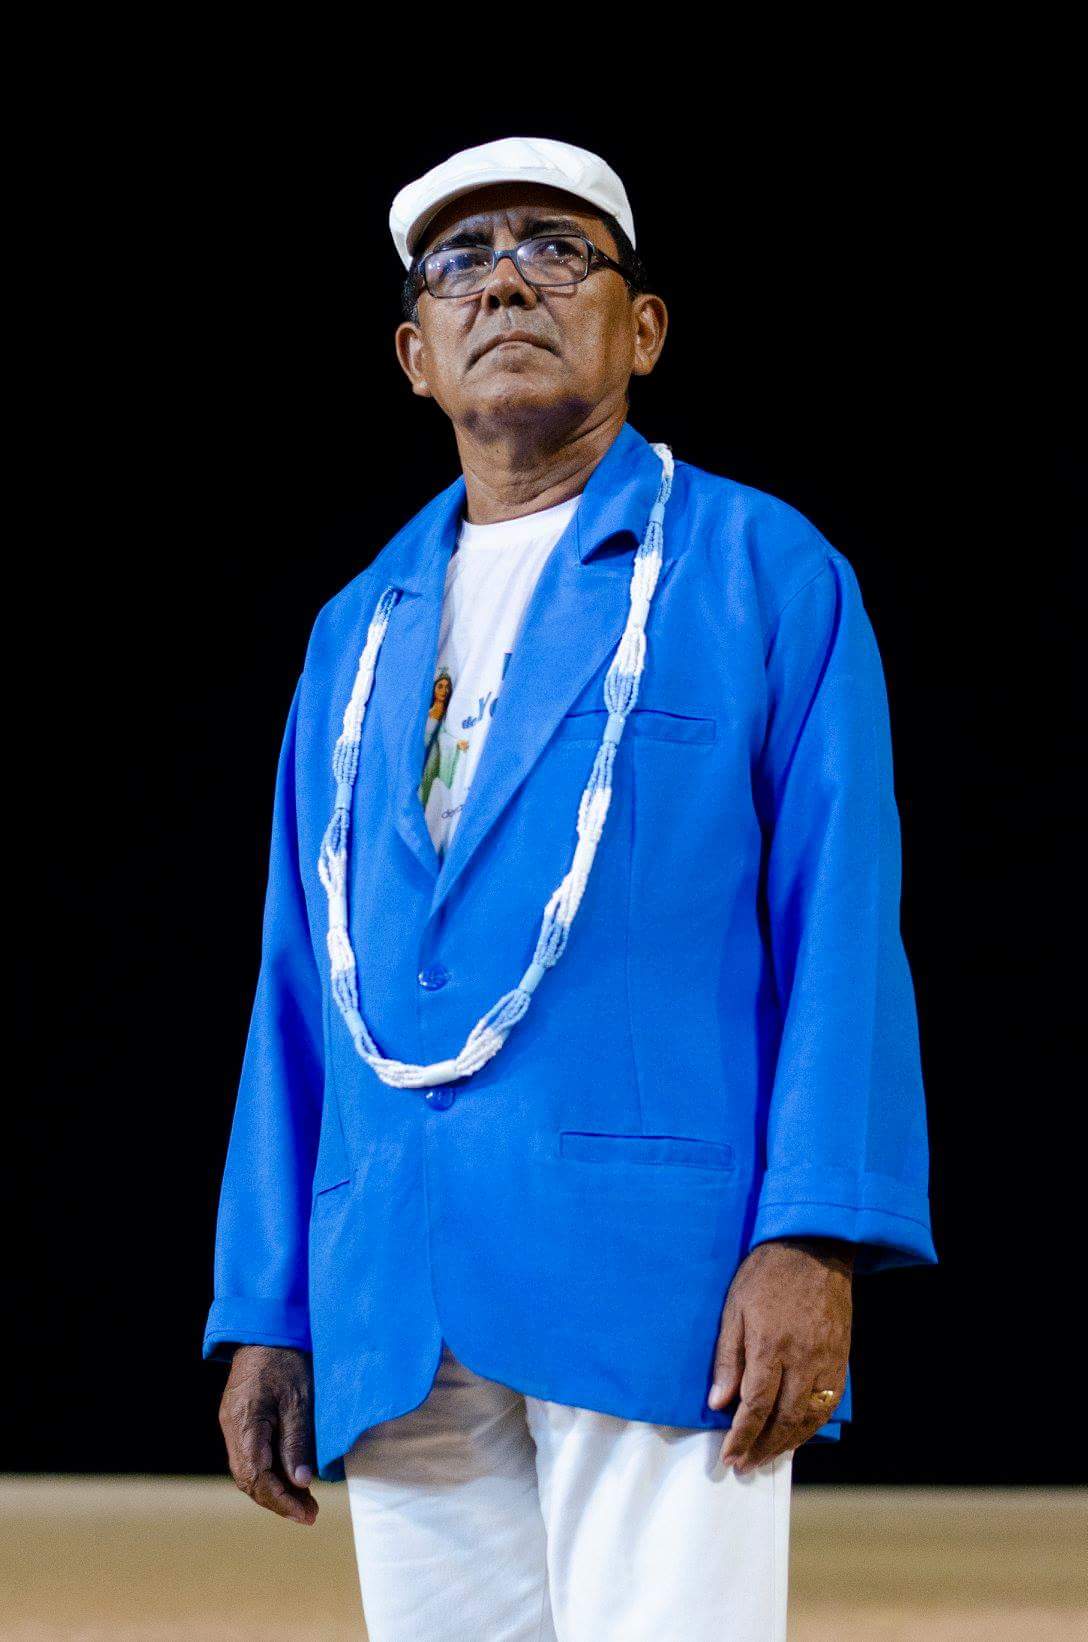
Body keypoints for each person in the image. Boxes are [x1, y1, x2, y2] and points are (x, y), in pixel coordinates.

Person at [204, 135, 938, 1640]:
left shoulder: (763, 571)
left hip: (660, 1279)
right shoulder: (355, 629)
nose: (505, 283)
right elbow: (297, 976)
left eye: (554, 247)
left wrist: (812, 1236)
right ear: (415, 354)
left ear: (643, 328)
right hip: (395, 1281)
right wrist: (266, 1301)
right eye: (460, 263)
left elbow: (843, 926)